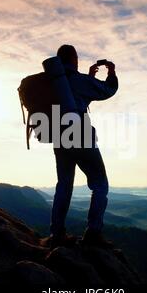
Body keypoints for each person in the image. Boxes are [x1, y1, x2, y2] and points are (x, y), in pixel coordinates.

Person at [47, 44, 118, 249]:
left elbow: (74, 98)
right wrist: (111, 73)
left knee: (64, 185)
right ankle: (93, 233)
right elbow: (108, 90)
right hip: (79, 135)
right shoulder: (79, 81)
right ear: (74, 59)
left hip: (59, 137)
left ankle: (56, 234)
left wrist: (88, 77)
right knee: (100, 184)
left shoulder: (53, 83)